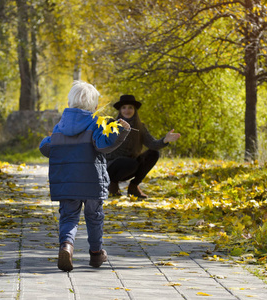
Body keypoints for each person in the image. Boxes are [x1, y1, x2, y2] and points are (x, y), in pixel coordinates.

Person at [39, 81, 130, 272]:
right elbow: (103, 145)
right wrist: (121, 132)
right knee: (94, 217)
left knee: (69, 217)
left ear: (70, 102)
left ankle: (66, 246)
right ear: (95, 106)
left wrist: (48, 141)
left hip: (67, 183)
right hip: (92, 183)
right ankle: (96, 254)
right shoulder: (96, 123)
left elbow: (46, 148)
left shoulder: (60, 126)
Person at [106, 95, 181, 198]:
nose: (127, 110)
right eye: (124, 107)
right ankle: (112, 184)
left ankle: (134, 186)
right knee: (128, 162)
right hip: (112, 166)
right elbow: (102, 145)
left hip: (131, 166)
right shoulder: (111, 124)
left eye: (130, 107)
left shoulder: (140, 127)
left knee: (153, 153)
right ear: (120, 110)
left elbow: (153, 144)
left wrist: (165, 140)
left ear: (134, 110)